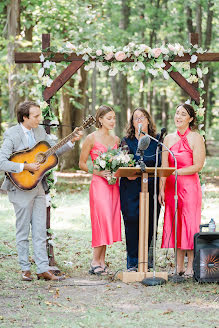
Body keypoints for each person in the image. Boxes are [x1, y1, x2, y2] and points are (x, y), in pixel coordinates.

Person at [0, 101, 83, 281]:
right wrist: (25, 165)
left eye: (39, 115)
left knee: (39, 230)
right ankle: (25, 268)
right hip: (19, 187)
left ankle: (42, 268)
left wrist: (71, 141)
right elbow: (2, 162)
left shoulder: (40, 132)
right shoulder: (12, 134)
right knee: (22, 230)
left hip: (38, 187)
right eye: (36, 116)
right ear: (25, 118)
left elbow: (54, 151)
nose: (39, 119)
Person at [158, 103, 205, 276]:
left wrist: (177, 172)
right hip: (171, 187)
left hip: (189, 188)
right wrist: (162, 189)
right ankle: (178, 266)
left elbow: (198, 166)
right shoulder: (168, 138)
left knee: (189, 225)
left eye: (183, 114)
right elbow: (164, 166)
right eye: (177, 113)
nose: (178, 116)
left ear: (190, 118)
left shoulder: (196, 138)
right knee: (175, 223)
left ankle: (191, 266)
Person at [79, 105, 121, 275]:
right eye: (109, 118)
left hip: (113, 185)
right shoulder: (91, 138)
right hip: (99, 184)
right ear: (100, 119)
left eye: (114, 118)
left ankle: (102, 261)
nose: (112, 121)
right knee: (101, 220)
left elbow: (119, 163)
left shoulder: (116, 140)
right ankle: (95, 260)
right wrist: (98, 171)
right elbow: (82, 163)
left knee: (109, 221)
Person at [120, 107, 161, 271]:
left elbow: (161, 164)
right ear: (132, 122)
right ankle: (132, 260)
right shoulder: (126, 140)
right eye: (136, 118)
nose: (139, 120)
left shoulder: (157, 140)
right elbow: (123, 162)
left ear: (148, 120)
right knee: (131, 221)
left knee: (151, 221)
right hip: (130, 187)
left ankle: (147, 258)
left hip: (151, 188)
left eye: (142, 117)